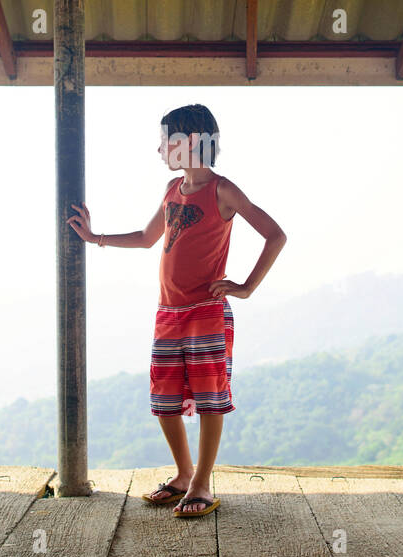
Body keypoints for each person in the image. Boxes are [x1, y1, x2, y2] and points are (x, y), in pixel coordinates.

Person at [65, 104, 286, 517]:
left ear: (190, 142)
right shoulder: (171, 189)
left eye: (166, 140)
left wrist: (246, 287)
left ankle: (202, 483)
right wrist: (95, 237)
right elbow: (149, 237)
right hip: (168, 313)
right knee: (163, 400)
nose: (160, 148)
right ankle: (183, 474)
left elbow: (275, 235)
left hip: (206, 312)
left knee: (209, 400)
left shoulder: (223, 190)